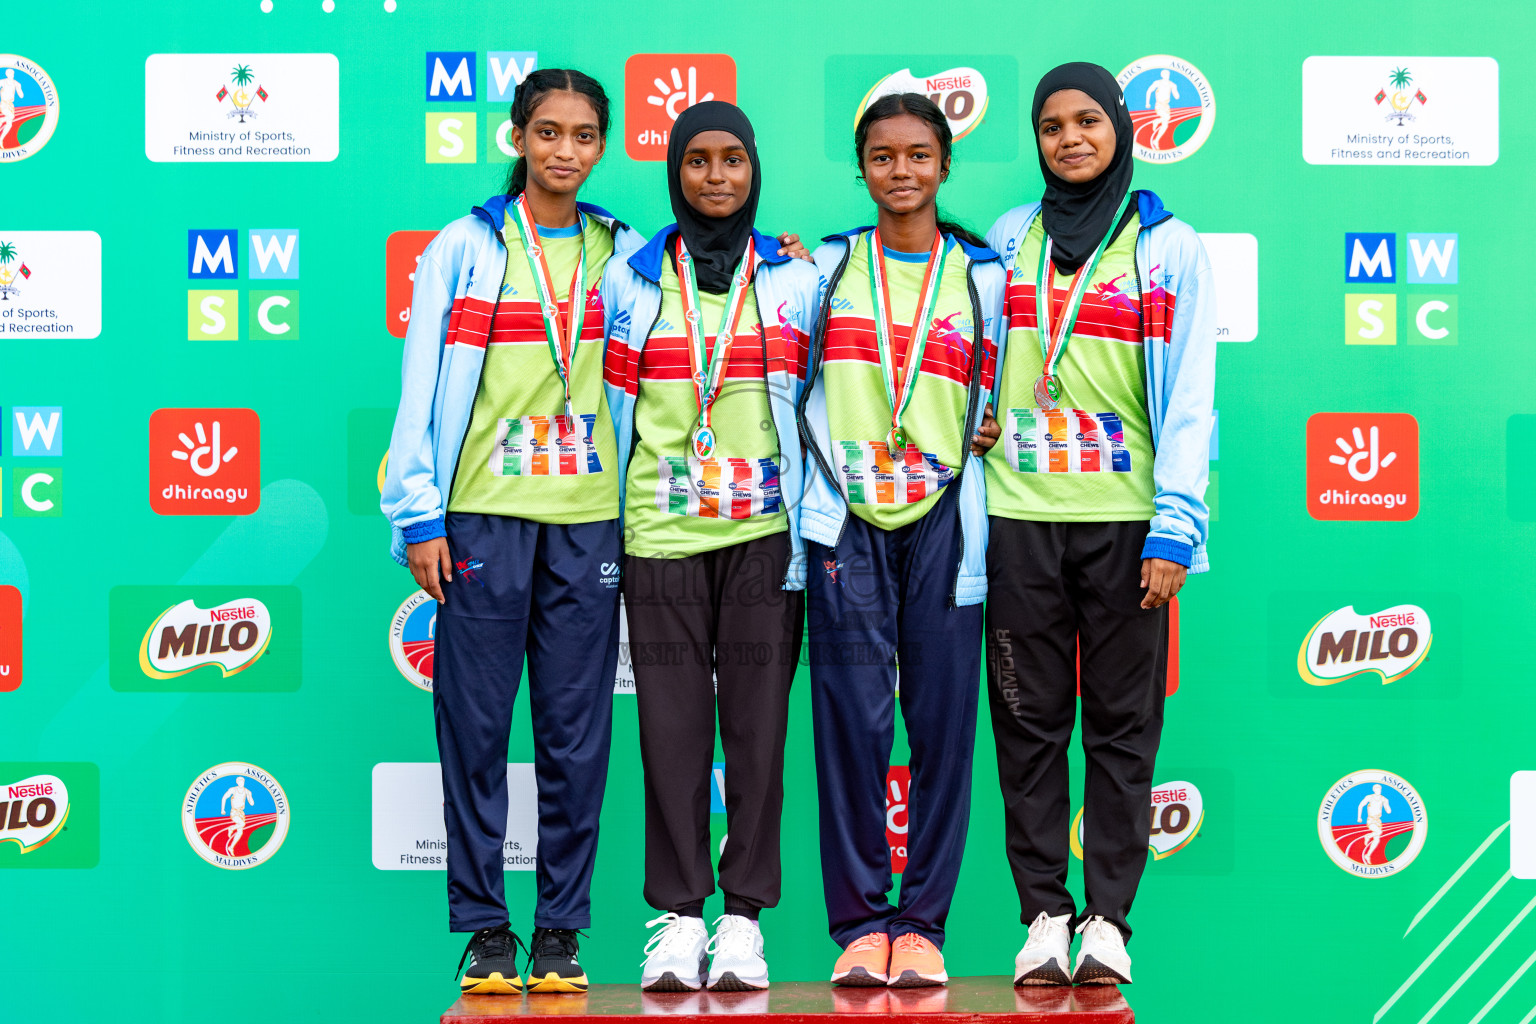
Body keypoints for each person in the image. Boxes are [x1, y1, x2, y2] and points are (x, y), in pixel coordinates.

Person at [382, 68, 644, 998]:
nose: (564, 151)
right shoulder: (465, 247)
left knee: (577, 738)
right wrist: (418, 512)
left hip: (588, 523)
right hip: (483, 518)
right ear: (517, 138)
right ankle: (488, 930)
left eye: (582, 136)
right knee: (477, 730)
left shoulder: (627, 254)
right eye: (548, 133)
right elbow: (420, 385)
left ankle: (562, 933)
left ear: (600, 147)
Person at [983, 62, 1214, 988]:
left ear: (1121, 126)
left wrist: (1176, 526)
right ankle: (1042, 911)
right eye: (1051, 126)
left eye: (1087, 121)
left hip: (1127, 523)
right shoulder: (1009, 238)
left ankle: (1109, 919)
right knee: (1027, 723)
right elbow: (971, 352)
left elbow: (1193, 395)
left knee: (1124, 728)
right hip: (1019, 517)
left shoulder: (1171, 247)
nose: (1070, 138)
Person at [602, 101, 821, 994]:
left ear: (755, 169)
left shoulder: (799, 279)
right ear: (675, 173)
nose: (717, 177)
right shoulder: (628, 277)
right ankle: (679, 918)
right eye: (698, 161)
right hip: (660, 537)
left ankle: (742, 922)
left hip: (767, 539)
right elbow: (605, 406)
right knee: (671, 732)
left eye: (733, 159)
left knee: (760, 731)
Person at [798, 92, 1005, 990]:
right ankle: (857, 922)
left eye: (919, 155)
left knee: (944, 724)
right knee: (850, 721)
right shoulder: (825, 270)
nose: (901, 171)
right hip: (846, 519)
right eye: (882, 157)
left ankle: (920, 922)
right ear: (862, 167)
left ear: (945, 165)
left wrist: (993, 417)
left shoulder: (985, 275)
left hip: (945, 522)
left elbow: (1025, 377)